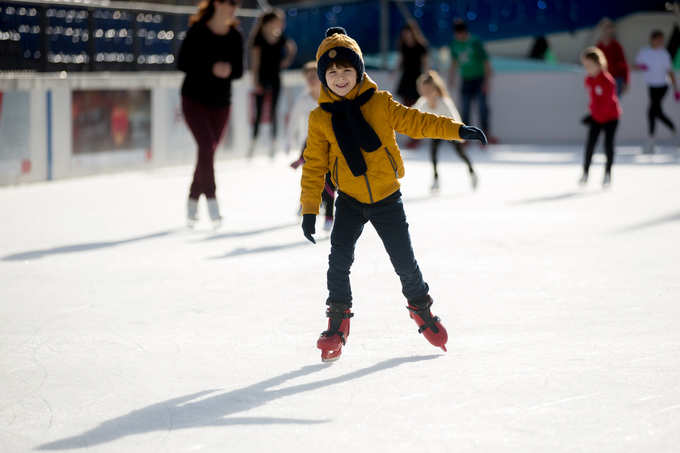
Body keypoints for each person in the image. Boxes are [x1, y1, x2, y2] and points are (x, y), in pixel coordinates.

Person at [300, 27, 487, 362]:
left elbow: (419, 122)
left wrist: (456, 130)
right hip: (350, 201)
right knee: (338, 261)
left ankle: (421, 309)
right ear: (323, 77)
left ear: (358, 71)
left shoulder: (380, 103)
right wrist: (310, 210)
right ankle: (337, 323)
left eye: (346, 70)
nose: (340, 78)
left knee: (404, 262)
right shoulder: (320, 119)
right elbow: (314, 166)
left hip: (387, 198)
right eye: (332, 72)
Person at [177, 0, 243, 227]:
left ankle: (193, 201)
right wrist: (211, 67)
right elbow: (182, 62)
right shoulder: (197, 30)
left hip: (221, 103)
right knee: (206, 148)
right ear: (217, 2)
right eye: (230, 1)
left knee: (208, 151)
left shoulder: (235, 35)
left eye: (237, 2)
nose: (234, 6)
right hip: (194, 100)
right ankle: (212, 201)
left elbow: (240, 70)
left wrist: (229, 70)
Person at [287, 62, 336, 230]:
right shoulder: (302, 99)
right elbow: (293, 121)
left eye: (314, 76)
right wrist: (289, 141)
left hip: (330, 144)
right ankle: (307, 202)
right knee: (311, 177)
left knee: (329, 178)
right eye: (308, 77)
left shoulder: (331, 96)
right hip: (308, 144)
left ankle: (329, 213)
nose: (311, 80)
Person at [414, 70, 478, 191]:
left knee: (460, 153)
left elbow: (455, 118)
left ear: (434, 89)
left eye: (428, 90)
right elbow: (412, 114)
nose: (425, 93)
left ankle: (472, 172)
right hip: (435, 131)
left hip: (450, 131)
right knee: (433, 154)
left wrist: (460, 135)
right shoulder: (422, 102)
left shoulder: (444, 102)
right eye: (423, 90)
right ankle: (436, 179)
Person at [248, 9, 297, 157]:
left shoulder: (280, 37)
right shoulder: (259, 38)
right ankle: (253, 144)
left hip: (275, 78)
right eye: (279, 20)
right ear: (270, 21)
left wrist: (286, 61)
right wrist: (255, 81)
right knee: (259, 111)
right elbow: (255, 63)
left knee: (274, 111)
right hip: (262, 78)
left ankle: (273, 145)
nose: (281, 24)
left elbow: (292, 47)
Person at [448, 19, 496, 144]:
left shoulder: (475, 42)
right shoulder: (454, 44)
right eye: (456, 34)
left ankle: (486, 135)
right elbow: (454, 62)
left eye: (460, 33)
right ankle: (466, 137)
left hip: (479, 79)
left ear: (465, 32)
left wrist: (486, 81)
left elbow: (485, 61)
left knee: (482, 108)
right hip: (466, 79)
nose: (459, 36)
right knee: (464, 109)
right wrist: (451, 78)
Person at [579, 47, 621, 187]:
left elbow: (607, 104)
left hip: (610, 117)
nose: (587, 69)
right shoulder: (589, 80)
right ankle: (585, 172)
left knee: (608, 145)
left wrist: (593, 116)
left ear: (598, 63)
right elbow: (594, 100)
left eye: (589, 65)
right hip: (597, 117)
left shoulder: (608, 81)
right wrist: (592, 114)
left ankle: (608, 173)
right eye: (585, 66)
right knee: (590, 145)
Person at [635, 30, 679, 154]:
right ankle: (672, 129)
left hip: (663, 86)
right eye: (658, 39)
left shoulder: (664, 54)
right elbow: (637, 64)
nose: (660, 42)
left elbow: (670, 72)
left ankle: (651, 140)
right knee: (656, 112)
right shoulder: (645, 52)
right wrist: (641, 66)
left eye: (662, 39)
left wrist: (676, 89)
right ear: (652, 39)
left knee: (652, 111)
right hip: (651, 86)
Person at [396, 20, 429, 107]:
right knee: (406, 104)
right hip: (406, 78)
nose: (407, 36)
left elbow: (425, 63)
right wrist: (395, 70)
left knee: (418, 104)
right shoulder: (403, 46)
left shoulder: (421, 46)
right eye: (405, 34)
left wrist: (426, 76)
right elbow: (401, 60)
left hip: (417, 78)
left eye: (408, 33)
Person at [596, 18, 630, 97]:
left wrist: (626, 81)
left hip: (616, 80)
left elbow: (623, 64)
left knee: (612, 106)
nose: (606, 30)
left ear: (612, 30)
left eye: (608, 27)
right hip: (602, 81)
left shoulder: (616, 46)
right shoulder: (598, 47)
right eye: (604, 28)